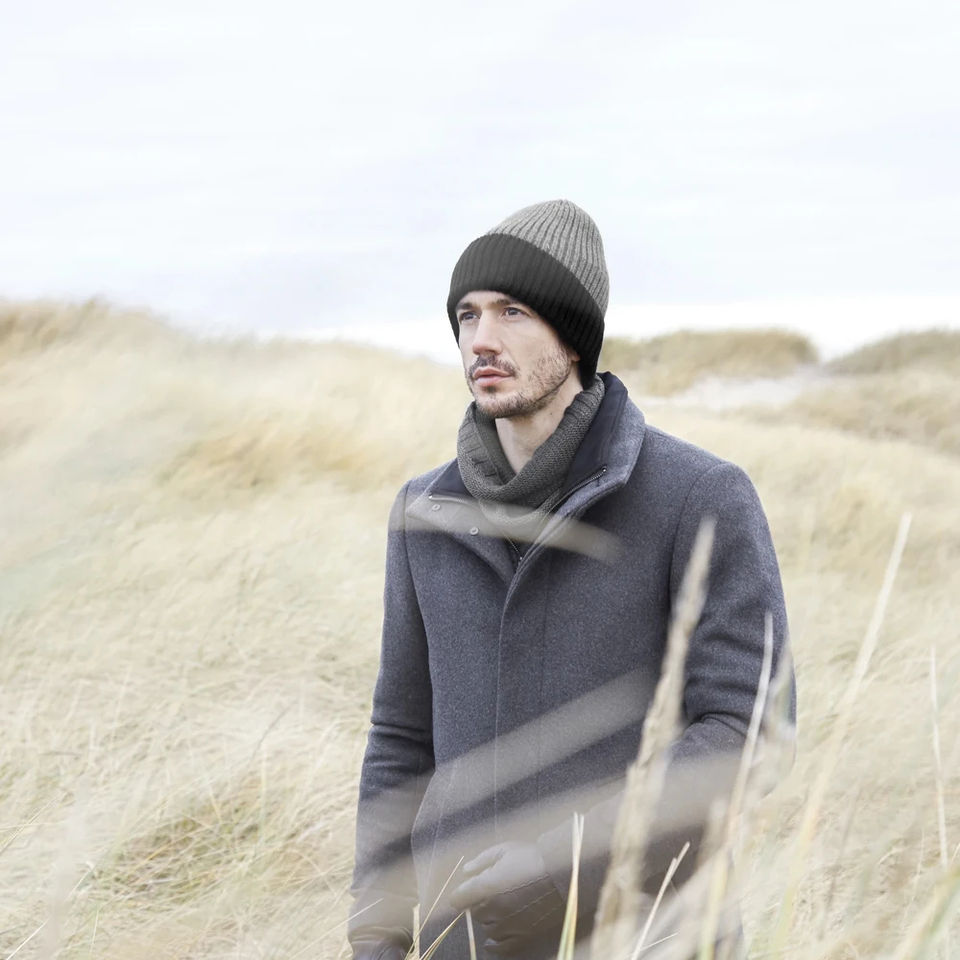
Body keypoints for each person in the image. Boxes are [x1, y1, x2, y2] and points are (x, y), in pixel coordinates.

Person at [348, 199, 795, 960]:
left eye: (513, 312)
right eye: (466, 315)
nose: (481, 340)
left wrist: (564, 867)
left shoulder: (699, 496)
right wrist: (375, 929)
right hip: (461, 940)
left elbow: (746, 730)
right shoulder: (425, 512)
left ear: (574, 336)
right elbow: (401, 738)